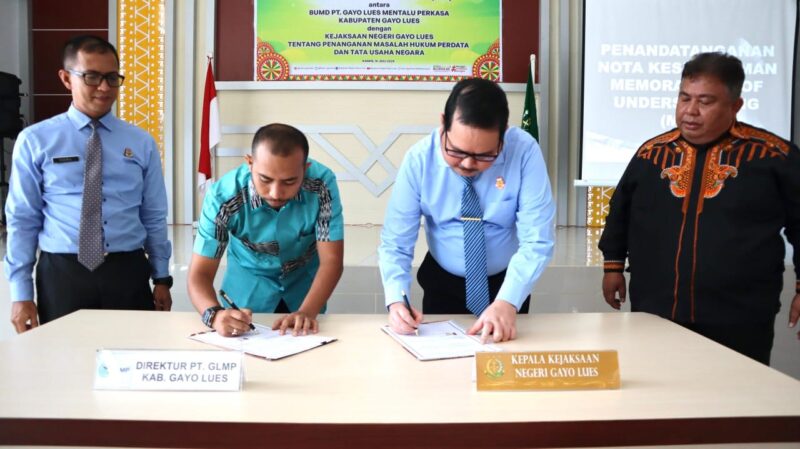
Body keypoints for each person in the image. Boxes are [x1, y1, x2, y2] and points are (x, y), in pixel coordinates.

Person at [599, 52, 800, 365]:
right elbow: (620, 212)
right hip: (656, 309)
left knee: (736, 390)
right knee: (659, 386)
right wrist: (613, 266)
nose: (690, 111)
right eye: (684, 98)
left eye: (705, 101)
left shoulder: (773, 156)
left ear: (735, 106)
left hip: (741, 315)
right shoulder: (651, 154)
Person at [4, 35, 173, 333]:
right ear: (66, 78)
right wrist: (21, 293)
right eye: (92, 77)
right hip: (62, 272)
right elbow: (23, 218)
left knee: (130, 351)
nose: (104, 87)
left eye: (112, 78)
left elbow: (154, 215)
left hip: (127, 270)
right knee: (64, 354)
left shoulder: (141, 142)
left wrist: (161, 278)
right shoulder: (35, 140)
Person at [378, 77, 555, 342]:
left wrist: (508, 301)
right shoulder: (419, 160)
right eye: (457, 152)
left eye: (485, 155)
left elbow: (537, 239)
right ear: (443, 123)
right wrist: (396, 301)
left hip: (507, 284)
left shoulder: (524, 152)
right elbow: (396, 242)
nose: (468, 164)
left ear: (503, 133)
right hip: (442, 281)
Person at [188, 123, 344, 337]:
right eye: (265, 179)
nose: (276, 193)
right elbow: (199, 274)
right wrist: (214, 315)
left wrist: (307, 312)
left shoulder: (321, 185)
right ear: (249, 163)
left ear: (305, 169)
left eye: (290, 181)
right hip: (246, 292)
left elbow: (332, 260)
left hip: (305, 291)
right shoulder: (223, 197)